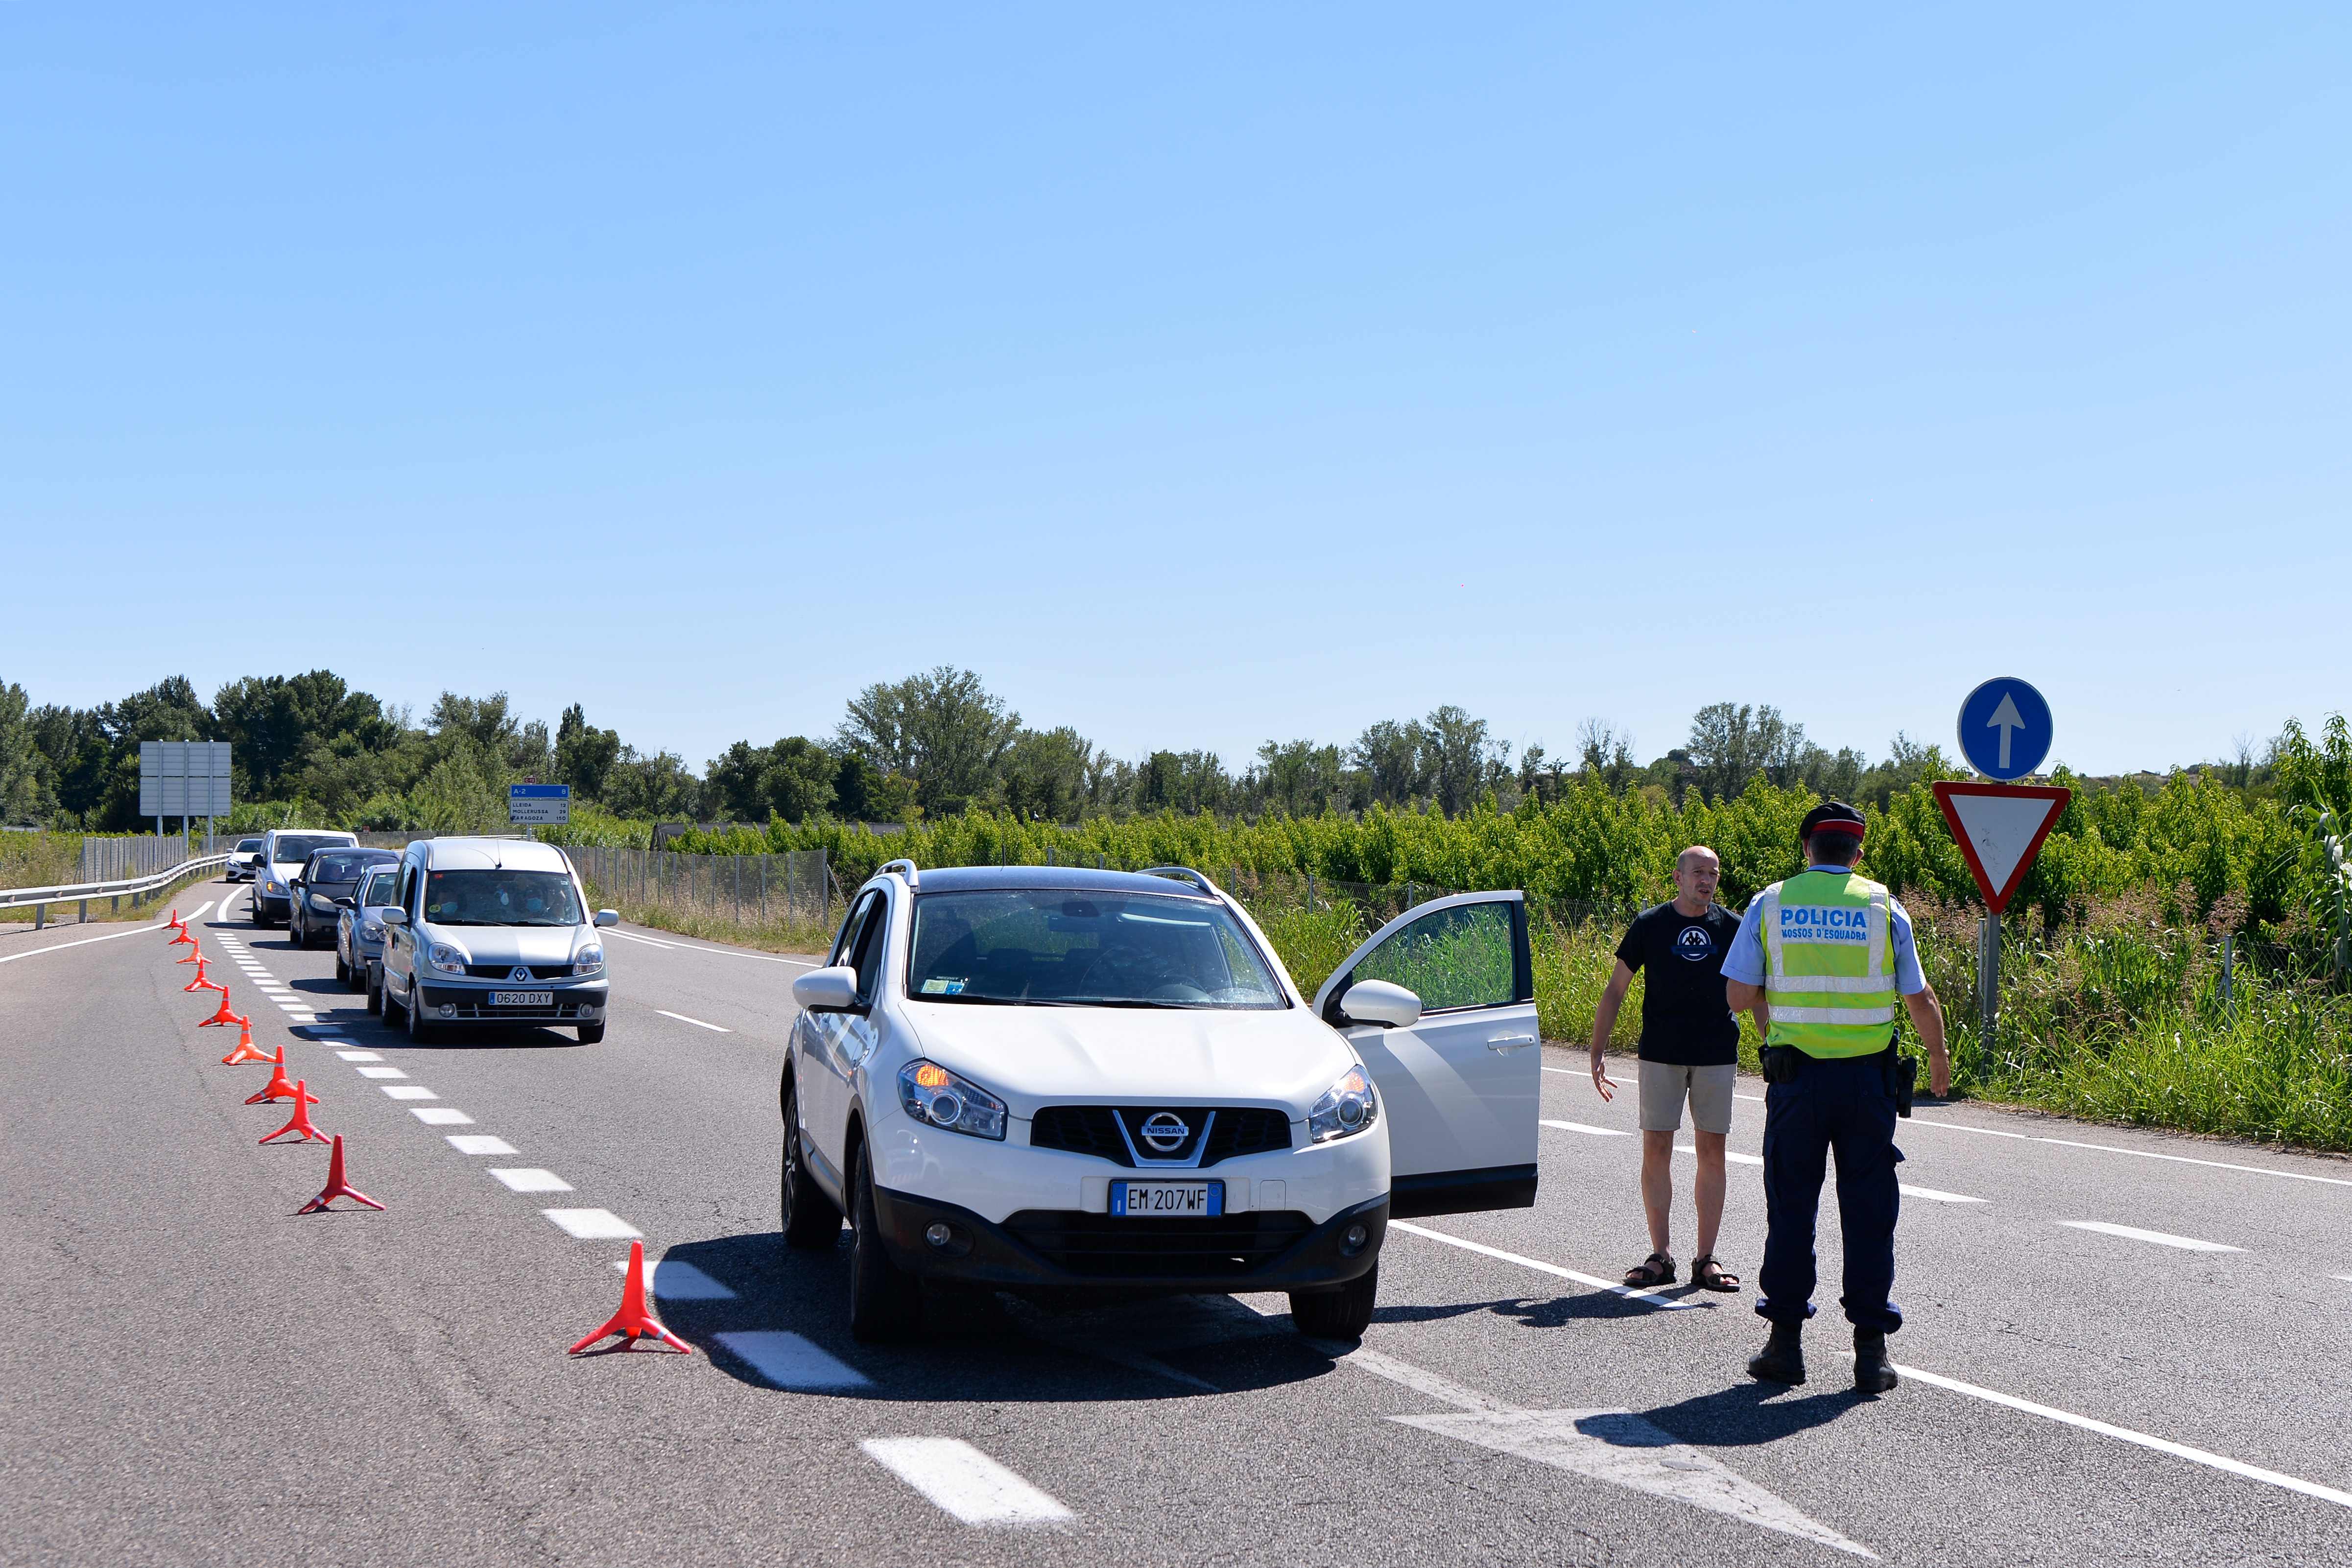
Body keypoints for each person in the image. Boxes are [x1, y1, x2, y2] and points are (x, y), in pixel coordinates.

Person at [1721, 800, 1950, 1394]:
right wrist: (1940, 1057)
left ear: (1806, 849)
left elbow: (1739, 995)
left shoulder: (1771, 903)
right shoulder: (1882, 906)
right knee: (1870, 1213)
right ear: (1858, 852)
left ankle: (1785, 1347)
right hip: (1867, 1085)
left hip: (1797, 1085)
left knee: (1792, 1209)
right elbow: (1919, 998)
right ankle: (1871, 1356)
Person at [1590, 845, 1764, 1293]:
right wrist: (1597, 1049)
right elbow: (1615, 990)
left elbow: (1757, 993)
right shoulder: (1650, 925)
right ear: (1677, 877)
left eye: (1714, 873)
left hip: (1716, 1055)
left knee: (1712, 1154)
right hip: (1660, 1055)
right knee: (1656, 1151)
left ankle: (1705, 1259)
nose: (1706, 880)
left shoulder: (1733, 927)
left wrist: (1774, 1050)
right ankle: (1660, 1256)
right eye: (1697, 873)